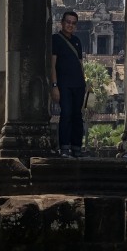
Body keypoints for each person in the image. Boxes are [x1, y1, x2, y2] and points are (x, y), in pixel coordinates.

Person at [51, 11, 87, 158]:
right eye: (68, 22)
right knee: (66, 114)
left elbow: (80, 63)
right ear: (62, 23)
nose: (70, 25)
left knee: (77, 115)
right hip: (63, 84)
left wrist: (85, 81)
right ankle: (64, 148)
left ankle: (77, 146)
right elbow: (52, 64)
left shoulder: (77, 41)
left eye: (73, 23)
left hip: (78, 84)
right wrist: (54, 85)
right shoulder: (56, 39)